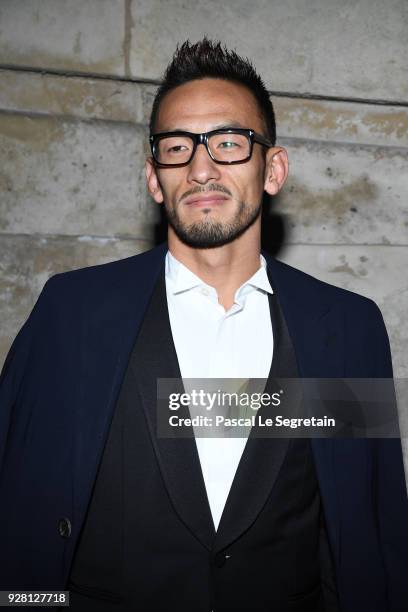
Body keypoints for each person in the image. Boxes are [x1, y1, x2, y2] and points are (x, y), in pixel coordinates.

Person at [0, 38, 407, 612]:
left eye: (227, 142)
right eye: (176, 147)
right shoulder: (74, 314)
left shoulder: (348, 328)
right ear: (153, 177)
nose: (200, 167)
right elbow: (18, 517)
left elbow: (370, 530)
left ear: (273, 169)